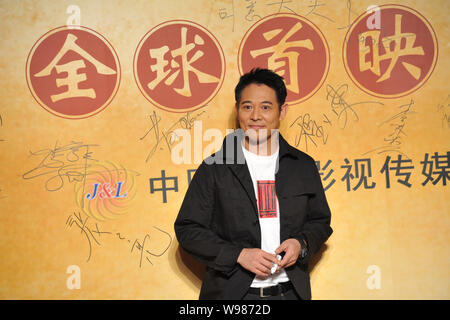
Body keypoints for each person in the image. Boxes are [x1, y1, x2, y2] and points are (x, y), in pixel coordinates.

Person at [174, 68, 332, 300]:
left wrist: (301, 243)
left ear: (282, 110)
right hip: (235, 295)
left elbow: (320, 221)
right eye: (247, 107)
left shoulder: (302, 165)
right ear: (238, 110)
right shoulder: (215, 168)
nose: (256, 116)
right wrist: (238, 255)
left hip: (290, 293)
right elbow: (188, 230)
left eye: (266, 107)